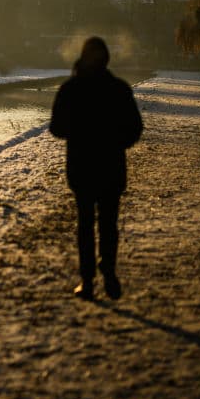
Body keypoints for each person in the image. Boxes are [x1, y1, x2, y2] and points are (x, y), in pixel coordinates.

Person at [49, 37, 143, 300]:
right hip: (111, 166)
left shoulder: (70, 89)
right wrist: (116, 142)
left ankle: (87, 280)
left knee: (85, 224)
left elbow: (56, 128)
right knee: (109, 223)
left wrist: (77, 132)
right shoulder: (119, 89)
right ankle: (108, 270)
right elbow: (134, 128)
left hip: (81, 166)